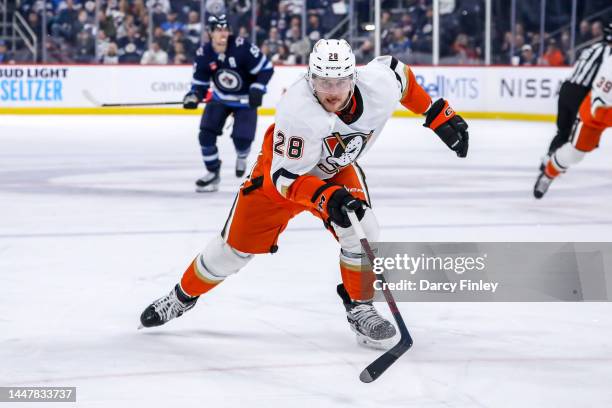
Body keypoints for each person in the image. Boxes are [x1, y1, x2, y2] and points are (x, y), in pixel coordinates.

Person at [140, 39, 469, 349]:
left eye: (340, 82)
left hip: (335, 168)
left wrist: (437, 114)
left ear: (353, 77)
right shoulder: (297, 111)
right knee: (232, 253)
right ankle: (182, 296)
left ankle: (360, 309)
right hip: (279, 179)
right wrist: (327, 198)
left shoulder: (377, 84)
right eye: (324, 82)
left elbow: (401, 74)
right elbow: (285, 179)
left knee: (363, 229)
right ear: (310, 77)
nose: (332, 91)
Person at [182, 14, 274, 192]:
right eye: (218, 30)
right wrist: (193, 95)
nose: (223, 33)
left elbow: (266, 69)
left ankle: (242, 155)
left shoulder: (242, 47)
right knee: (205, 135)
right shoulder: (204, 53)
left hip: (245, 100)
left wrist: (257, 87)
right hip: (220, 98)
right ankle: (213, 172)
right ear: (210, 33)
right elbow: (200, 82)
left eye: (226, 29)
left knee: (242, 139)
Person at [533, 48, 611, 199]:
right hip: (596, 113)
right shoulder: (608, 59)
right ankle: (548, 174)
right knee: (575, 154)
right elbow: (600, 100)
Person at [538, 22, 611, 168]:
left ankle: (549, 158)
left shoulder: (592, 47)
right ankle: (554, 161)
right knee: (579, 130)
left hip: (566, 88)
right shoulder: (608, 53)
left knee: (564, 130)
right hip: (580, 92)